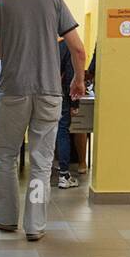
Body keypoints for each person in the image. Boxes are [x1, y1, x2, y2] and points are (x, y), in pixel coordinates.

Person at [0, 0, 86, 241]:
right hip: (50, 92)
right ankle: (35, 226)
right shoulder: (54, 0)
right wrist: (78, 81)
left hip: (13, 90)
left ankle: (5, 218)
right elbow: (78, 48)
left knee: (5, 155)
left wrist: (17, 42)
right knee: (42, 161)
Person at [54, 37, 78, 189]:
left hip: (35, 92)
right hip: (59, 94)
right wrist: (74, 103)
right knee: (62, 131)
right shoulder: (67, 45)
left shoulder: (40, 40)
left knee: (41, 131)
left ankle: (39, 174)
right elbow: (71, 76)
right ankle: (63, 175)